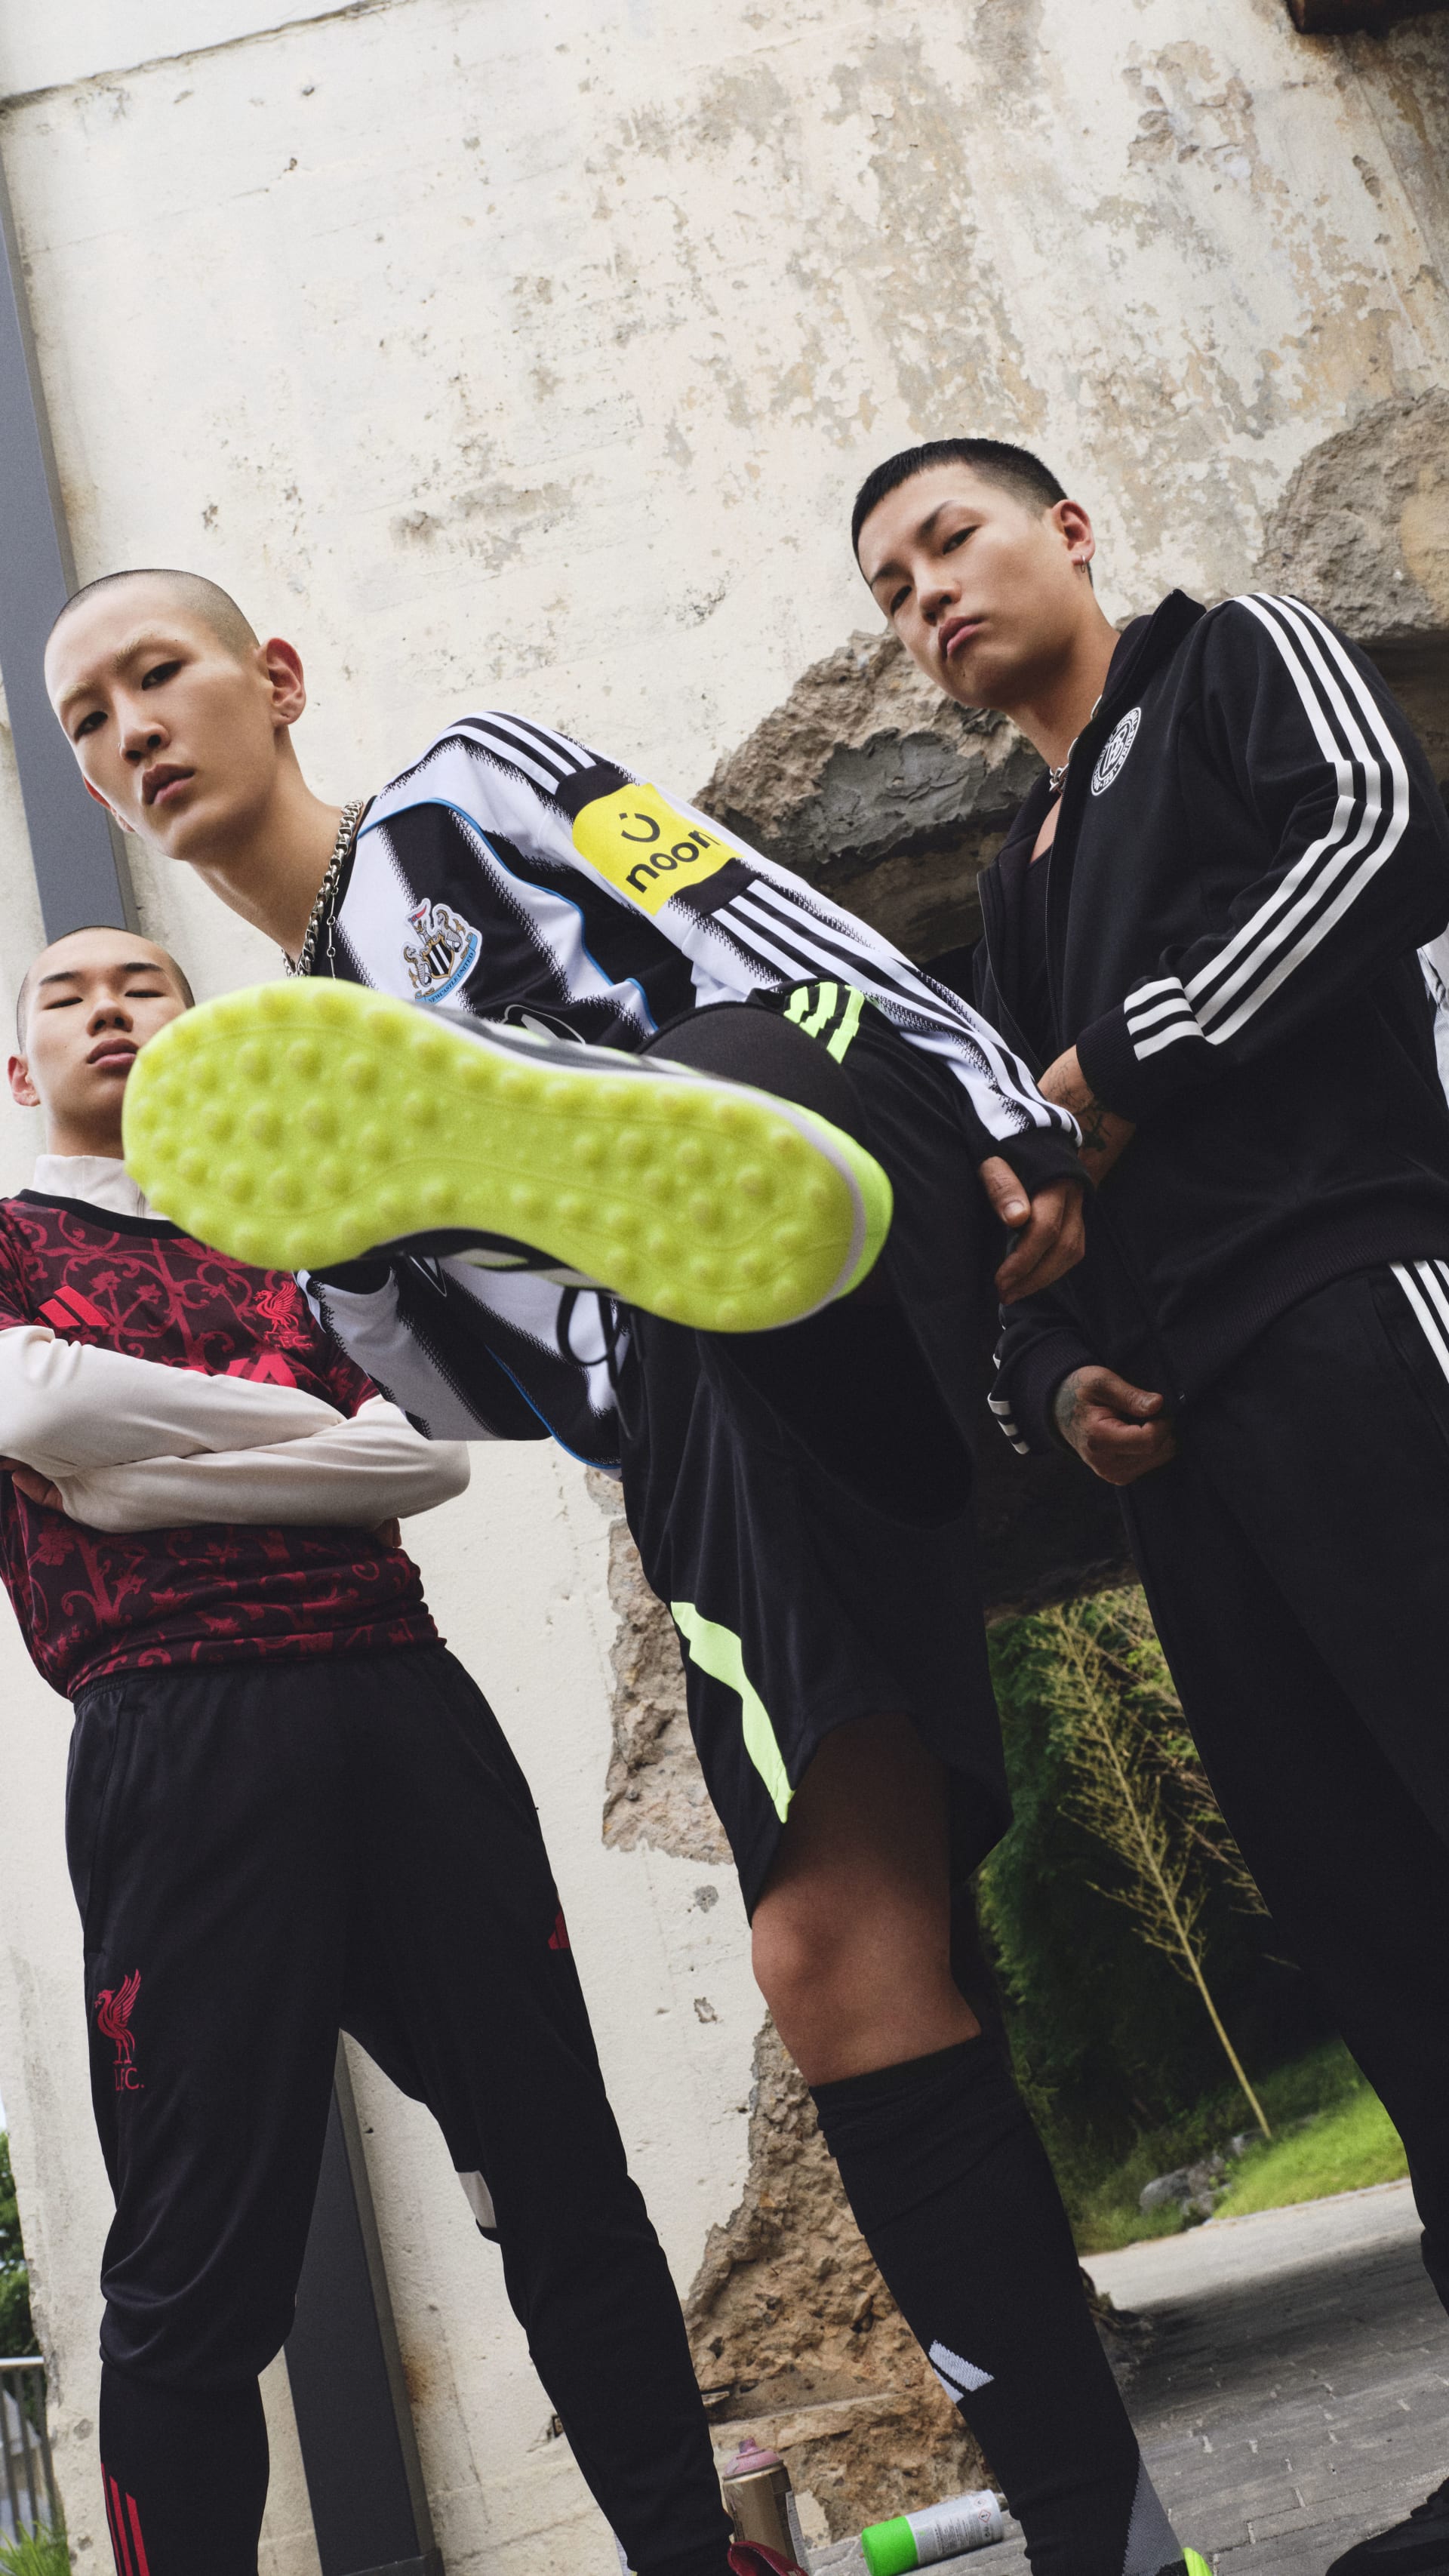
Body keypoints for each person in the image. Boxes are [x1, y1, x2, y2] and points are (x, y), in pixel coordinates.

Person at [42, 571, 1210, 2576]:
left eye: (162, 669)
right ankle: (1118, 2537)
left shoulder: (472, 788)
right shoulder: (301, 1150)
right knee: (839, 1959)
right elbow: (480, 1407)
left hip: (811, 1130)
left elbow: (768, 908)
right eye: (86, 717)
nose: (133, 725)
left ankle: (611, 1105)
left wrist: (988, 1086)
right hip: (715, 1427)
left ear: (276, 679)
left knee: (739, 1074)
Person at [0, 924, 789, 2576]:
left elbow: (423, 1454)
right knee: (198, 2258)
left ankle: (686, 2555)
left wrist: (147, 1458)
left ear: (207, 1036)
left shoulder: (305, 1233)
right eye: (66, 996)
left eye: (143, 984)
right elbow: (43, 1422)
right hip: (177, 1733)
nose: (109, 1011)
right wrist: (305, 1446)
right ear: (21, 1070)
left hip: (407, 1704)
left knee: (561, 2168)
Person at [853, 434, 1449, 2576]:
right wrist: (1047, 1383)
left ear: (1069, 532)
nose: (928, 592)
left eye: (953, 538)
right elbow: (1023, 1195)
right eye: (892, 586)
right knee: (1375, 1902)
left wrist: (1114, 1067)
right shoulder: (1010, 886)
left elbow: (1386, 834)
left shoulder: (1233, 666)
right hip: (1189, 1447)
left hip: (1365, 1317)